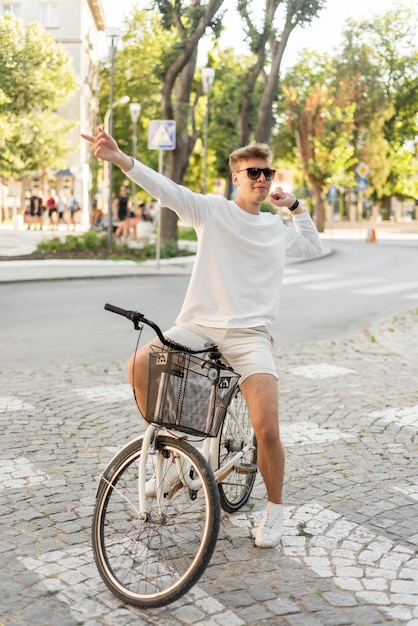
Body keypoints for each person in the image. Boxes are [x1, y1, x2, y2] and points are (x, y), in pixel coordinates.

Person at [82, 126, 323, 548]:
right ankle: (176, 453)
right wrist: (120, 159)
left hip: (251, 336)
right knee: (139, 366)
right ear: (236, 178)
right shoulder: (212, 211)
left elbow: (312, 247)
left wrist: (295, 207)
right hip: (198, 326)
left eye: (267, 172)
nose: (262, 179)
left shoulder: (274, 229)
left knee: (266, 429)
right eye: (253, 173)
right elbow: (166, 189)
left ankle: (275, 511)